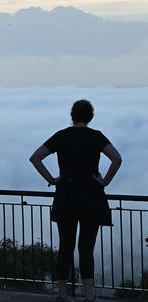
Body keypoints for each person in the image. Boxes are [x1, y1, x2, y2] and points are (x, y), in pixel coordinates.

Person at [30, 99, 122, 302]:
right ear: (90, 116)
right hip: (91, 196)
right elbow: (117, 159)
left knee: (65, 247)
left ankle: (62, 295)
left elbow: (35, 157)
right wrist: (104, 181)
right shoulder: (96, 137)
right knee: (86, 248)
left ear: (72, 115)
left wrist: (52, 180)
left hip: (66, 197)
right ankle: (89, 296)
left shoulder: (61, 136)